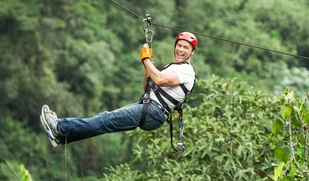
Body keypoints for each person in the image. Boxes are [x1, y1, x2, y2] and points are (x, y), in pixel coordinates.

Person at [40, 32, 197, 147]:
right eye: (179, 45)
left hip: (153, 112)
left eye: (186, 47)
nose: (180, 50)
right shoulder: (173, 67)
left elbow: (160, 80)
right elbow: (147, 87)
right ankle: (62, 136)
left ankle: (59, 127)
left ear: (192, 52)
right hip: (148, 108)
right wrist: (146, 67)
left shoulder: (187, 72)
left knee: (105, 120)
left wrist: (146, 59)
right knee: (104, 120)